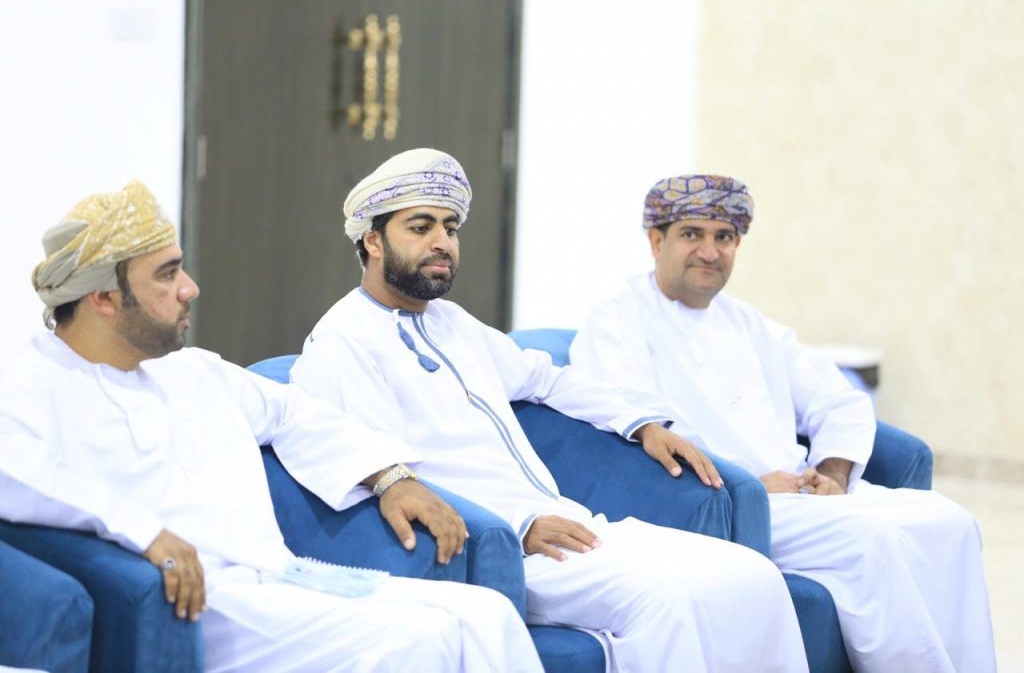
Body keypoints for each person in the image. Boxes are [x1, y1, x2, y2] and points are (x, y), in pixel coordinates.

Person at [289, 149, 809, 673]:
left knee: (752, 575)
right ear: (373, 241)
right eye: (421, 227)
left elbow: (547, 379)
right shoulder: (343, 339)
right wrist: (518, 525)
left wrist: (643, 425)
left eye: (450, 227)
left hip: (571, 523)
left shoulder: (453, 323)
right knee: (667, 599)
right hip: (509, 547)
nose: (442, 242)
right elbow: (383, 470)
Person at [0, 180, 542, 673]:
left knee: (488, 614)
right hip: (206, 600)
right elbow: (19, 475)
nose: (189, 288)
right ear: (103, 299)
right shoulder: (31, 384)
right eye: (167, 275)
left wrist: (389, 477)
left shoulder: (190, 370)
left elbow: (294, 413)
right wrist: (143, 533)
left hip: (282, 577)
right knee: (420, 639)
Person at [569, 174, 997, 672]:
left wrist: (833, 474)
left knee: (950, 521)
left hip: (804, 494)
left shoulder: (750, 324)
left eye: (724, 237)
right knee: (871, 539)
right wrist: (749, 484)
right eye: (691, 234)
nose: (709, 251)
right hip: (729, 502)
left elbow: (838, 399)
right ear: (656, 241)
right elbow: (641, 421)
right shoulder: (616, 320)